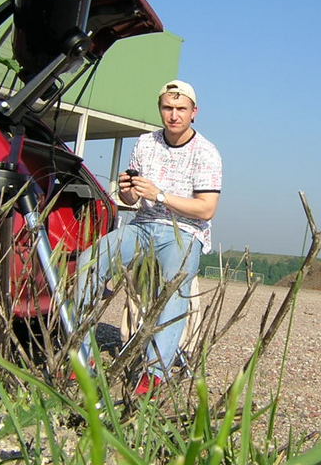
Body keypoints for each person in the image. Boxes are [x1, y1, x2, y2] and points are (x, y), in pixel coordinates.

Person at [76, 80, 222, 394]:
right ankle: (81, 356)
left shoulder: (206, 153)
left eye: (181, 109)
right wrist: (128, 191)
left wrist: (160, 195)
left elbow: (206, 209)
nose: (173, 115)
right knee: (88, 263)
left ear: (194, 112)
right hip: (142, 225)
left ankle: (155, 371)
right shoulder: (145, 143)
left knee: (174, 288)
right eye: (168, 108)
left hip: (183, 232)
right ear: (160, 109)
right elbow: (130, 201)